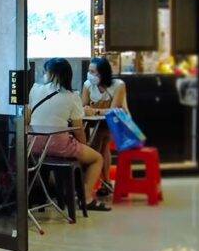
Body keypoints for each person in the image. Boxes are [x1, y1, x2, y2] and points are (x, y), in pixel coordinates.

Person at [27, 58, 109, 211]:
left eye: (46, 72)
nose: (44, 74)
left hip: (33, 144)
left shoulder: (35, 89)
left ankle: (60, 193)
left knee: (53, 162)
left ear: (52, 74)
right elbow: (78, 129)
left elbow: (29, 116)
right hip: (59, 145)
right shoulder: (72, 97)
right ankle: (87, 197)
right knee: (97, 158)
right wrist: (85, 146)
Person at [81, 56, 128, 195]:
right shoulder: (88, 85)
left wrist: (94, 110)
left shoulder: (118, 85)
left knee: (100, 141)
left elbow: (114, 111)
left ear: (103, 73)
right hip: (93, 123)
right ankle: (104, 182)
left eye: (93, 72)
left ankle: (94, 182)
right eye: (89, 71)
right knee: (101, 144)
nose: (90, 74)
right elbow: (83, 106)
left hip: (114, 123)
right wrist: (92, 110)